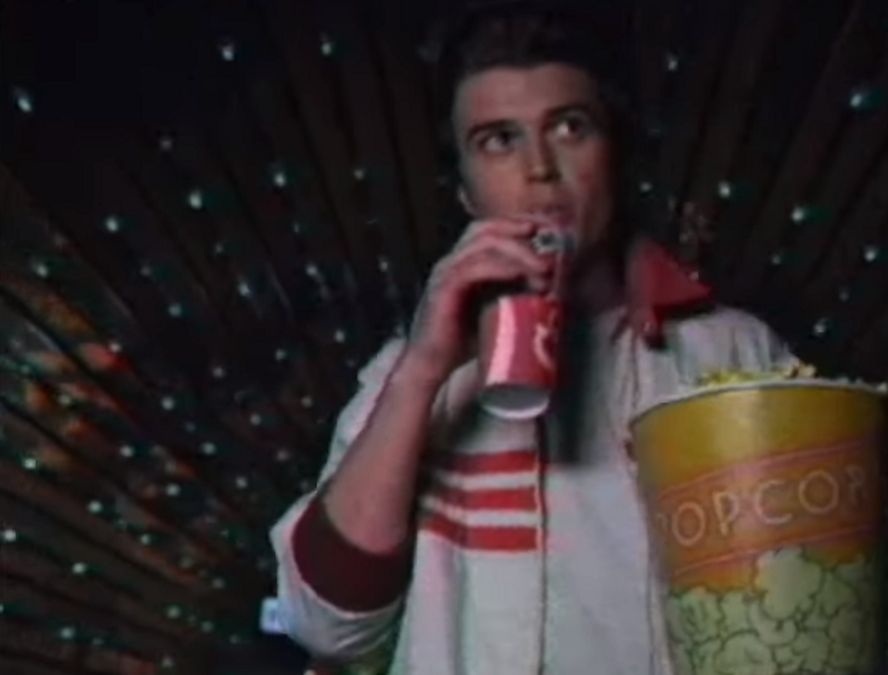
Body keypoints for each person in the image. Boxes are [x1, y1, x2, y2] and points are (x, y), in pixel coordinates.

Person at [270, 4, 800, 674]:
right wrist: (422, 370)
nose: (540, 168)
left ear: (615, 154)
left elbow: (799, 615)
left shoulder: (736, 356)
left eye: (570, 127)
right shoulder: (409, 378)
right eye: (498, 140)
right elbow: (325, 629)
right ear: (465, 191)